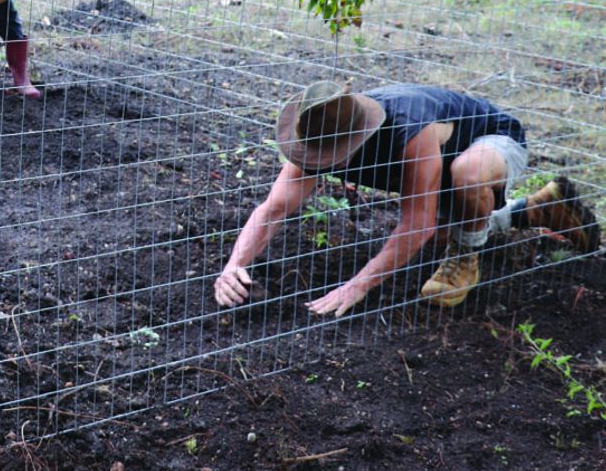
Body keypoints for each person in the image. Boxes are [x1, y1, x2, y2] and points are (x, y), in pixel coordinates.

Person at [214, 81, 600, 316]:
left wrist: (357, 286)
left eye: (325, 159)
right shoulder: (322, 132)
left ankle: (465, 256)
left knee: (466, 178)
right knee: (450, 202)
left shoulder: (409, 128)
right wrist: (234, 265)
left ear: (353, 140)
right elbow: (274, 208)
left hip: (490, 142)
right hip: (442, 163)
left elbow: (417, 222)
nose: (318, 165)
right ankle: (539, 209)